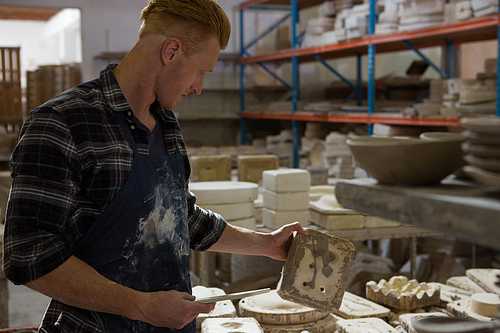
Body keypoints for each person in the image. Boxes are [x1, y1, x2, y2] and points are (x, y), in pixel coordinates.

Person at [2, 0, 305, 332]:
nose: (198, 87)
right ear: (171, 52)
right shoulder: (62, 122)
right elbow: (27, 257)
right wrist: (142, 307)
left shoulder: (167, 123)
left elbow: (177, 216)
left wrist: (265, 243)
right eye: (201, 71)